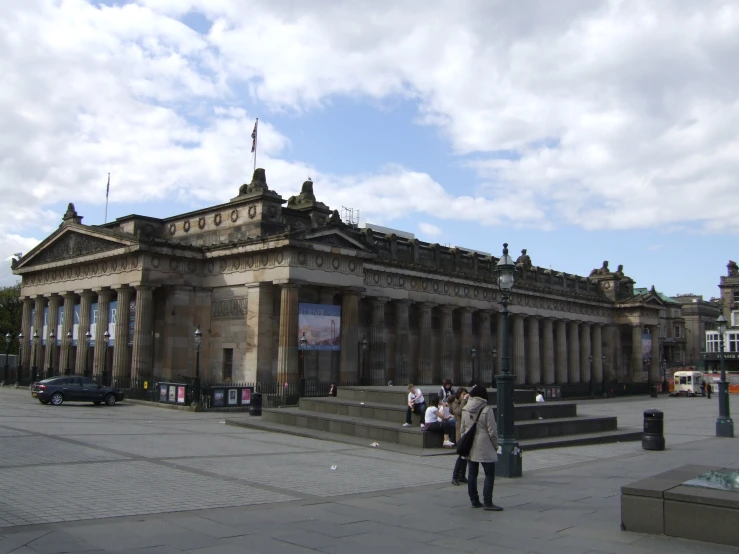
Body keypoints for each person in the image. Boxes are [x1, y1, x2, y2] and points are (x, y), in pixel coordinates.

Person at [460, 384, 503, 511]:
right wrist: (495, 446)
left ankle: (474, 500)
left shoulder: (465, 408)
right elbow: (493, 431)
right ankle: (488, 502)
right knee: (489, 474)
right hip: (484, 444)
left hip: (470, 443)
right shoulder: (486, 409)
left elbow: (462, 429)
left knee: (472, 474)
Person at [450, 388, 469, 486]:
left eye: (465, 394)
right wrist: (464, 401)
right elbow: (459, 412)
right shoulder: (456, 404)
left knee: (465, 455)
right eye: (463, 394)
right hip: (460, 433)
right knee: (461, 456)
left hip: (466, 431)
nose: (464, 396)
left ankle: (462, 475)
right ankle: (455, 477)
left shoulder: (465, 402)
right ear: (459, 395)